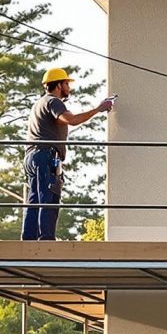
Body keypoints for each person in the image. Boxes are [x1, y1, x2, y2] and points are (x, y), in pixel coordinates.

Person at [24, 68, 113, 241]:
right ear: (58, 85)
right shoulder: (53, 101)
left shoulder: (39, 103)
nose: (69, 88)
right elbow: (71, 120)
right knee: (48, 197)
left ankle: (29, 240)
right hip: (45, 156)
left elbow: (69, 117)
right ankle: (46, 241)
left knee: (34, 200)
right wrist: (99, 109)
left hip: (32, 156)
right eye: (66, 84)